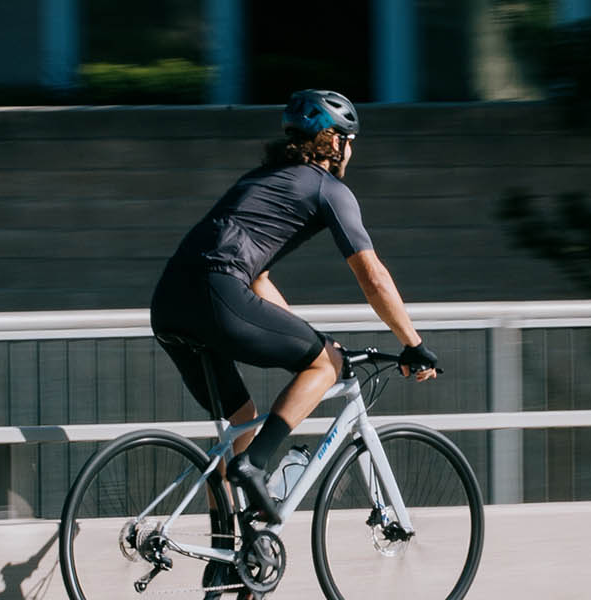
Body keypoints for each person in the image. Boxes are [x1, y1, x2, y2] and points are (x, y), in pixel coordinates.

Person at [149, 89, 439, 526]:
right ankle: (256, 467)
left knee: (241, 419)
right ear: (334, 141)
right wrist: (412, 343)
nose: (351, 149)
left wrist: (310, 336)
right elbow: (373, 276)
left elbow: (259, 280)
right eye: (349, 139)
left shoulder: (262, 179)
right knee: (324, 366)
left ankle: (227, 560)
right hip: (216, 293)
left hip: (169, 301)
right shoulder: (328, 189)